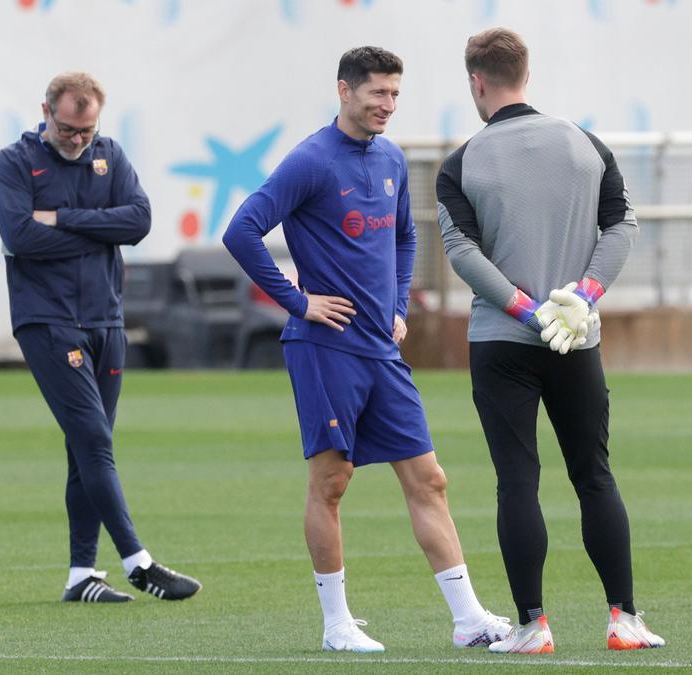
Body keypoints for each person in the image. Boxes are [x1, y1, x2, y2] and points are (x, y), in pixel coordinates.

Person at [223, 47, 509, 652]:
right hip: (324, 349)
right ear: (344, 91)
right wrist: (299, 302)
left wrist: (399, 307)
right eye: (377, 93)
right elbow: (241, 231)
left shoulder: (392, 159)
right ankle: (336, 626)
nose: (387, 105)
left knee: (429, 479)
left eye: (395, 94)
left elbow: (406, 235)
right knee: (332, 481)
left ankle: (468, 618)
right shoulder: (309, 160)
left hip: (381, 347)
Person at [436, 27, 664, 653]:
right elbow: (622, 225)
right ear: (526, 75)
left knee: (518, 480)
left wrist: (525, 310)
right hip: (577, 340)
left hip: (501, 342)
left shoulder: (462, 162)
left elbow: (462, 250)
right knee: (594, 476)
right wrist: (580, 300)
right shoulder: (584, 144)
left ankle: (533, 626)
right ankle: (624, 620)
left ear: (476, 83)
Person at [0, 72, 201, 603]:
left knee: (84, 450)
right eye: (67, 128)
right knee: (94, 441)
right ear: (45, 111)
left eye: (85, 130)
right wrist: (98, 230)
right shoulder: (15, 162)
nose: (77, 139)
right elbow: (19, 236)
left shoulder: (110, 155)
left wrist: (61, 220)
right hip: (47, 320)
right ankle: (138, 562)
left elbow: (140, 220)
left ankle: (81, 575)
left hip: (107, 319)